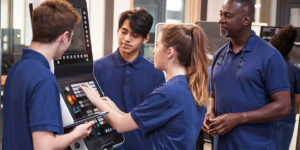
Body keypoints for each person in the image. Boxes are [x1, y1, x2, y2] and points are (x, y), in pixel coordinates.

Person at [81, 24, 208, 149]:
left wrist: (96, 99)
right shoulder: (190, 87)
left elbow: (120, 125)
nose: (153, 50)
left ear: (169, 52)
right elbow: (136, 119)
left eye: (157, 45)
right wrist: (114, 109)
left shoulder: (168, 93)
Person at [2, 1, 95, 150]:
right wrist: (77, 133)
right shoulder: (44, 79)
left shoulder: (16, 68)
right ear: (64, 37)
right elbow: (44, 146)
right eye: (71, 38)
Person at [202, 0, 291, 149]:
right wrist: (210, 112)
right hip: (222, 145)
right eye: (221, 14)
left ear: (246, 19)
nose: (221, 20)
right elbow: (213, 95)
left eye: (227, 15)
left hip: (256, 145)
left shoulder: (269, 56)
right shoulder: (219, 55)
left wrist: (239, 118)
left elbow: (283, 106)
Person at [93, 8, 165, 150]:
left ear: (145, 39)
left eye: (134, 35)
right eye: (124, 32)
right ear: (117, 30)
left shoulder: (155, 73)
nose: (126, 39)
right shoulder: (97, 68)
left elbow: (156, 120)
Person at [269, 25, 300, 150]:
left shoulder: (267, 66)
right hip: (286, 119)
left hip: (266, 117)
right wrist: (293, 113)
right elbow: (297, 99)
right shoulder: (294, 71)